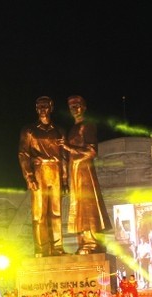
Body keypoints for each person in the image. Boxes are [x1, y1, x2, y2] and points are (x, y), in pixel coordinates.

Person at [60, 95, 111, 254]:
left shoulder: (87, 125)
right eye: (71, 106)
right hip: (74, 170)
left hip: (85, 170)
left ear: (84, 106)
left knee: (88, 205)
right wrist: (65, 178)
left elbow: (92, 150)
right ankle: (83, 240)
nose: (74, 108)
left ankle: (91, 241)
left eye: (77, 104)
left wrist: (69, 148)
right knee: (78, 206)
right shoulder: (72, 129)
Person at [18, 95, 67, 257]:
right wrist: (29, 176)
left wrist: (65, 180)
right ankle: (41, 249)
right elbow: (23, 153)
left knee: (56, 213)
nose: (42, 109)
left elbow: (64, 156)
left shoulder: (59, 130)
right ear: (36, 108)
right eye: (39, 106)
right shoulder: (29, 130)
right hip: (39, 173)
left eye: (45, 106)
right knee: (39, 214)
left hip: (55, 172)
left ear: (51, 108)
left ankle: (57, 248)